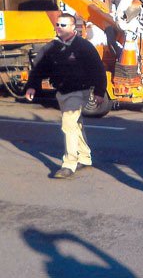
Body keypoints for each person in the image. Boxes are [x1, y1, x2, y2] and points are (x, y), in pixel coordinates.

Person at [25, 13, 107, 179]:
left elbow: (98, 69)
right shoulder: (51, 47)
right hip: (62, 92)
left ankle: (69, 163)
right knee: (75, 125)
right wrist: (32, 86)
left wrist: (99, 92)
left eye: (63, 25)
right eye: (57, 24)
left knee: (68, 124)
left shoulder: (84, 46)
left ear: (72, 27)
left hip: (79, 91)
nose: (59, 28)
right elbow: (39, 68)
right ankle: (85, 157)